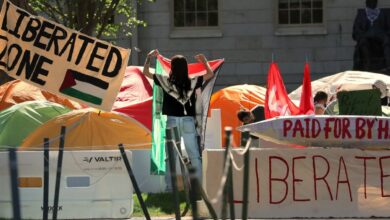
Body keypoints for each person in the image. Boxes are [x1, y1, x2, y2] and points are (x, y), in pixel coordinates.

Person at [143, 49, 214, 187]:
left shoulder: (165, 81)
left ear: (172, 67)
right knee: (194, 155)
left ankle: (170, 187)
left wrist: (148, 58)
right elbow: (210, 74)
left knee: (171, 156)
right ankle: (198, 186)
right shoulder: (192, 81)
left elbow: (146, 73)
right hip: (188, 121)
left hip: (171, 121)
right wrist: (204, 62)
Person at [352, 0, 390, 73]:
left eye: (374, 1)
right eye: (370, 1)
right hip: (366, 39)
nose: (372, 3)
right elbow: (356, 30)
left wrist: (383, 34)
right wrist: (364, 35)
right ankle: (367, 64)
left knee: (387, 41)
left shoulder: (384, 14)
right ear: (366, 2)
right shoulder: (361, 14)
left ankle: (388, 64)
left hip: (381, 39)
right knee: (363, 41)